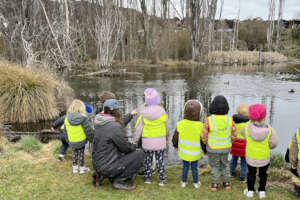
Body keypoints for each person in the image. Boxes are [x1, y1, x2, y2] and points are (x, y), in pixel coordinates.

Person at [92, 99, 145, 190]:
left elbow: (117, 125)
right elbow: (126, 148)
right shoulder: (114, 126)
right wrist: (134, 145)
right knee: (139, 154)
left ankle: (99, 175)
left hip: (98, 164)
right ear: (116, 111)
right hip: (108, 166)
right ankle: (120, 181)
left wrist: (130, 115)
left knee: (114, 151)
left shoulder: (100, 121)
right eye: (119, 110)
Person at [133, 88, 169, 186]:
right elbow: (167, 127)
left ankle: (147, 179)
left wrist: (135, 140)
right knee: (160, 161)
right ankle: (162, 180)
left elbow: (138, 130)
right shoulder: (163, 113)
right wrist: (167, 136)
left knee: (148, 161)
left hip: (147, 143)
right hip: (160, 142)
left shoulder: (143, 114)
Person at [201, 95, 237, 191]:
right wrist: (231, 141)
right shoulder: (230, 120)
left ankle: (214, 184)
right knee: (225, 165)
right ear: (226, 107)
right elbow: (234, 133)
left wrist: (205, 143)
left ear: (212, 107)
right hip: (226, 147)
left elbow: (204, 134)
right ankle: (226, 183)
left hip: (212, 148)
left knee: (215, 166)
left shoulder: (209, 120)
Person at [242, 104, 278, 199]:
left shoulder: (246, 128)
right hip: (264, 157)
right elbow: (274, 143)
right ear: (264, 116)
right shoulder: (270, 130)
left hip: (251, 157)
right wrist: (268, 146)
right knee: (263, 175)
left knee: (251, 174)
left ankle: (250, 191)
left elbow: (243, 134)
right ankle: (262, 191)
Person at [172, 100, 205, 189]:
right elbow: (203, 140)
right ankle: (195, 182)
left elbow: (175, 137)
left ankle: (183, 182)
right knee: (194, 167)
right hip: (195, 152)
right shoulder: (201, 126)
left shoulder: (180, 124)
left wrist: (175, 145)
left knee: (185, 166)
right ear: (199, 113)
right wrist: (205, 150)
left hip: (184, 151)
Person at [65, 99, 94, 174]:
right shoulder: (83, 118)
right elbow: (88, 130)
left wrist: (67, 140)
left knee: (74, 153)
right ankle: (81, 168)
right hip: (81, 140)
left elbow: (65, 131)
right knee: (81, 154)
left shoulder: (66, 118)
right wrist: (91, 139)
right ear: (81, 108)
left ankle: (74, 168)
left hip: (71, 140)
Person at [230, 104, 250, 182]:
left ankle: (231, 172)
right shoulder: (249, 123)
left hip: (234, 144)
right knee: (244, 161)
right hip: (244, 145)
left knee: (234, 158)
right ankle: (243, 176)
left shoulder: (233, 121)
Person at [288, 128, 300, 197]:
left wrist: (293, 163)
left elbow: (294, 149)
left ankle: (297, 191)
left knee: (296, 174)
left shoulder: (299, 132)